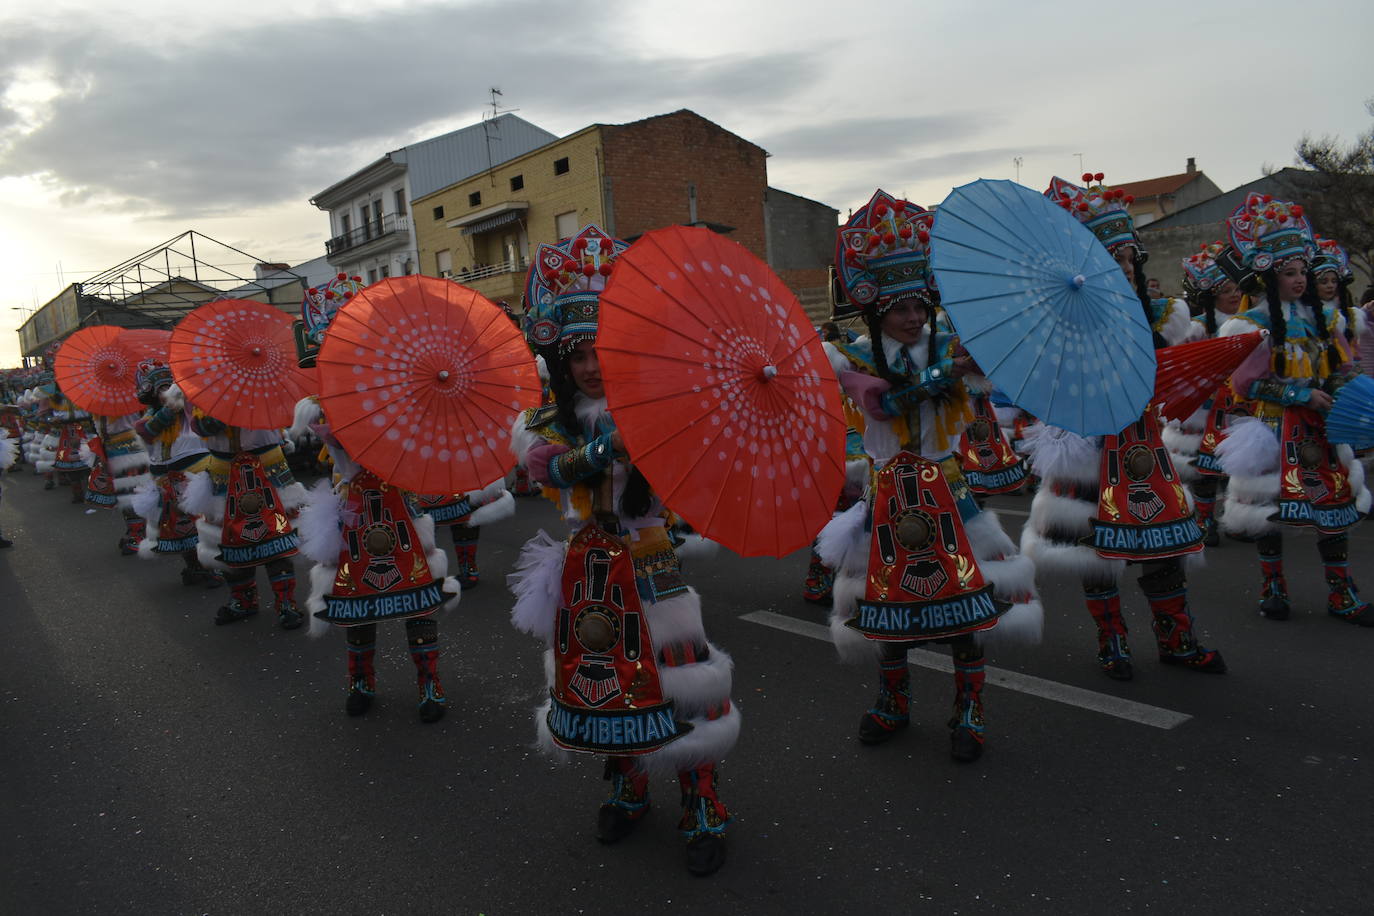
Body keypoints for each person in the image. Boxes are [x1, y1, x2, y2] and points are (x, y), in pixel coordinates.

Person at [509, 224, 738, 876]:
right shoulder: (546, 422)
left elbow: (696, 472)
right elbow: (546, 471)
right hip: (585, 566)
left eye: (601, 349)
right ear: (561, 358)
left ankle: (704, 805)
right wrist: (606, 449)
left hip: (652, 558)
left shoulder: (665, 407)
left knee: (684, 683)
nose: (589, 363)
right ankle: (629, 788)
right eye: (578, 352)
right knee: (607, 681)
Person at [817, 190, 1042, 762]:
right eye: (900, 308)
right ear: (875, 310)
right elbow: (883, 406)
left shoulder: (955, 345)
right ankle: (894, 702)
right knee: (890, 607)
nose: (913, 317)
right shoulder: (855, 357)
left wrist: (987, 353)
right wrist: (948, 370)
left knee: (966, 604)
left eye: (919, 305)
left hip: (948, 490)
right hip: (889, 494)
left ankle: (970, 710)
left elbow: (1005, 367)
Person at [1023, 174, 1227, 680]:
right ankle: (1111, 643)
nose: (1125, 267)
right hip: (1089, 449)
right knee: (1096, 555)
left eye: (1129, 258)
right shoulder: (1055, 329)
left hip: (1141, 448)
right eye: (1112, 259)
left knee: (1162, 550)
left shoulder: (1156, 317)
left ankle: (1177, 640)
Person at [1215, 195, 1371, 625]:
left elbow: (1342, 368)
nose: (1300, 279)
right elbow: (1246, 385)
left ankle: (1341, 594)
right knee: (1271, 514)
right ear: (1271, 276)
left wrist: (1345, 391)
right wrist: (1300, 396)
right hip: (1273, 429)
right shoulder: (1250, 328)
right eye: (1289, 272)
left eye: (1303, 270)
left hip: (1321, 429)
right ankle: (1273, 588)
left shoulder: (1327, 320)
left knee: (1333, 514)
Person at [1164, 242, 1249, 547]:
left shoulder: (1246, 324)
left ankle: (1239, 519)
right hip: (1206, 407)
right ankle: (1204, 519)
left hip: (1239, 405)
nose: (1235, 295)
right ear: (1213, 295)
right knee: (1206, 469)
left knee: (1241, 465)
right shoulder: (1196, 328)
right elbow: (1179, 367)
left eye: (1237, 289)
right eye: (1227, 290)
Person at [131, 361, 221, 587]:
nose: (165, 393)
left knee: (203, 523)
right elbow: (147, 432)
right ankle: (193, 567)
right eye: (160, 390)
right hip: (166, 477)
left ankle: (208, 566)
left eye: (169, 387)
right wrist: (168, 410)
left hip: (197, 474)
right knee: (179, 526)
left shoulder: (192, 410)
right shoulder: (149, 418)